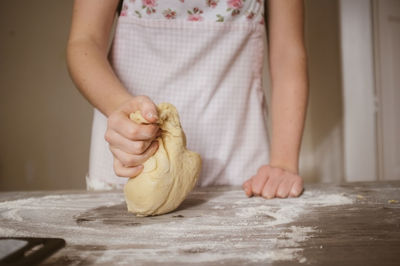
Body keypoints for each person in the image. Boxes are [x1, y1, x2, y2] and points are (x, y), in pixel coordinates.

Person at [66, 0, 308, 199]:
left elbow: (287, 52)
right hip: (130, 158)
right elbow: (85, 41)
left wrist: (283, 163)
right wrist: (119, 106)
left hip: (240, 168)